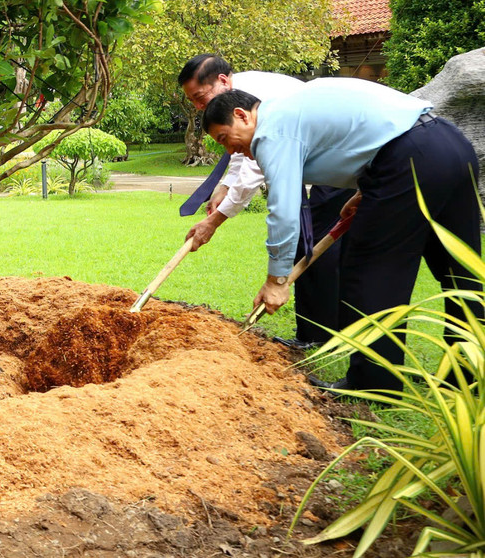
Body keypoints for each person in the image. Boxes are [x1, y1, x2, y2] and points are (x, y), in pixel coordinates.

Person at [202, 79, 482, 392]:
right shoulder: (290, 109)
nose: (231, 150)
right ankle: (468, 373)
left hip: (407, 158)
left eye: (226, 139)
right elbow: (363, 136)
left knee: (371, 272)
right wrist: (368, 188)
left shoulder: (271, 130)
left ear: (242, 115)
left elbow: (283, 209)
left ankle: (375, 385)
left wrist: (277, 281)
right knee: (460, 271)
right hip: (450, 145)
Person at [177, 54, 354, 349]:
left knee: (316, 242)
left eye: (199, 97)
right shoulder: (236, 101)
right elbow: (240, 149)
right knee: (303, 245)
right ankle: (314, 333)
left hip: (340, 158)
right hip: (315, 160)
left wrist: (214, 221)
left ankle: (321, 334)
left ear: (222, 81)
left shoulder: (257, 98)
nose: (198, 106)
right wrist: (223, 186)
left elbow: (254, 167)